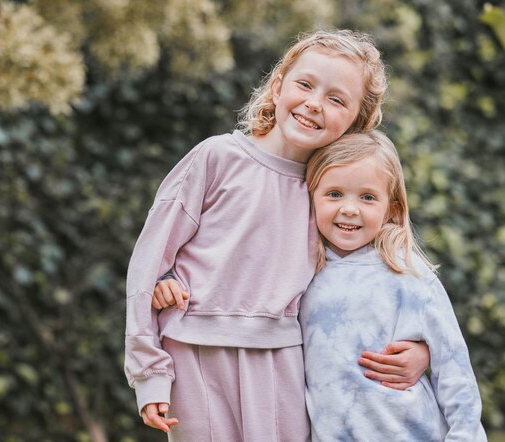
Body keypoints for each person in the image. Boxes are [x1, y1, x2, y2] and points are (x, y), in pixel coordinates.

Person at [126, 29, 430, 441]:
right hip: (193, 352)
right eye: (305, 84)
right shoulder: (216, 158)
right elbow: (147, 267)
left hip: (285, 362)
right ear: (277, 84)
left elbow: (373, 284)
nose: (313, 104)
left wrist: (422, 349)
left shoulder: (334, 195)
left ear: (356, 122)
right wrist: (149, 371)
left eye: (337, 99)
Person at [299, 130, 487, 441]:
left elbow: (454, 368)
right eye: (334, 194)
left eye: (368, 197)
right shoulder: (300, 271)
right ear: (310, 197)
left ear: (392, 208)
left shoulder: (408, 275)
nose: (349, 208)